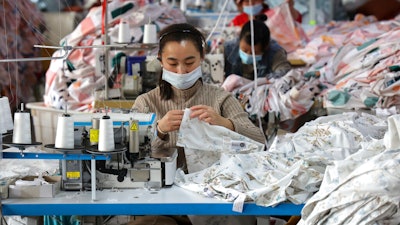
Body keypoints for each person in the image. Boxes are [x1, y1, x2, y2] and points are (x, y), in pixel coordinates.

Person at [132, 22, 265, 225]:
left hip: (216, 199)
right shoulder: (146, 103)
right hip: (164, 202)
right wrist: (158, 131)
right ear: (160, 61)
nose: (182, 70)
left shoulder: (220, 99)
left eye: (189, 62)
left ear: (202, 58)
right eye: (172, 63)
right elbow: (128, 155)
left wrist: (226, 124)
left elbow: (259, 140)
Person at [224, 19, 291, 81]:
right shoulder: (228, 50)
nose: (248, 55)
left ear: (266, 48)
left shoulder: (275, 53)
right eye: (244, 50)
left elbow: (285, 73)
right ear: (239, 40)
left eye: (254, 53)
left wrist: (263, 81)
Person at [230, 0, 302, 27]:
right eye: (246, 1)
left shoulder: (274, 15)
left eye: (255, 0)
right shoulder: (237, 21)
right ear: (240, 5)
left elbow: (296, 21)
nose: (251, 3)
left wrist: (290, 8)